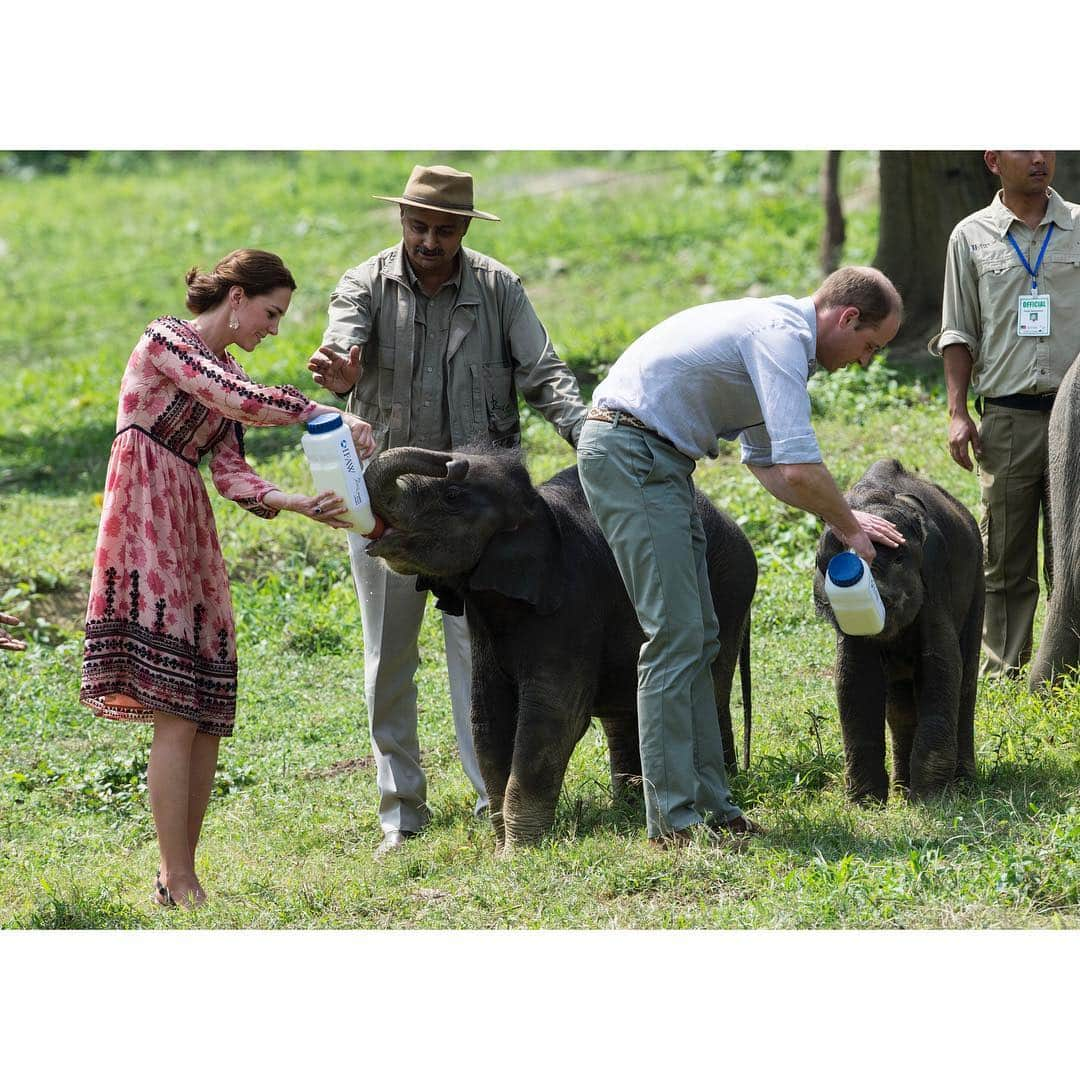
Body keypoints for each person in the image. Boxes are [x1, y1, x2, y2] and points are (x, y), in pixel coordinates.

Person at [80, 249, 375, 908]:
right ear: (236, 296)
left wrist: (299, 503)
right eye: (271, 313)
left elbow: (232, 474)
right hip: (144, 515)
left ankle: (180, 875)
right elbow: (233, 400)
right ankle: (176, 876)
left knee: (205, 710)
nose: (274, 328)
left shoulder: (230, 373)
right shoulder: (166, 341)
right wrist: (318, 413)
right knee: (176, 712)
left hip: (187, 518)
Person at [307, 165, 588, 857]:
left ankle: (494, 794)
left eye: (445, 228)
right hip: (391, 509)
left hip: (479, 514)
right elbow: (343, 344)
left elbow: (545, 373)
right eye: (418, 225)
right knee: (390, 653)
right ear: (401, 220)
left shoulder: (498, 287)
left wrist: (590, 437)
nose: (430, 240)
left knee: (483, 652)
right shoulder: (363, 284)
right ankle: (401, 812)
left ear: (465, 228)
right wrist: (342, 372)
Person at [577, 266, 905, 847]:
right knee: (674, 637)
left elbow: (768, 467)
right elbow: (801, 469)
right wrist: (850, 527)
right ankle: (672, 822)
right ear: (847, 317)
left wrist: (839, 517)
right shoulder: (779, 335)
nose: (864, 361)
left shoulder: (783, 346)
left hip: (661, 462)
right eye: (868, 346)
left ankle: (712, 803)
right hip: (630, 451)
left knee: (699, 635)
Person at [930, 151, 1080, 678]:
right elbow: (958, 331)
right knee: (1005, 556)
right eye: (1024, 146)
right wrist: (956, 413)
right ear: (993, 159)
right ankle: (1007, 671)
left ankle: (1067, 668)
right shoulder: (970, 237)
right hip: (1008, 415)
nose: (1040, 157)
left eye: (1048, 144)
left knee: (1073, 550)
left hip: (1076, 416)